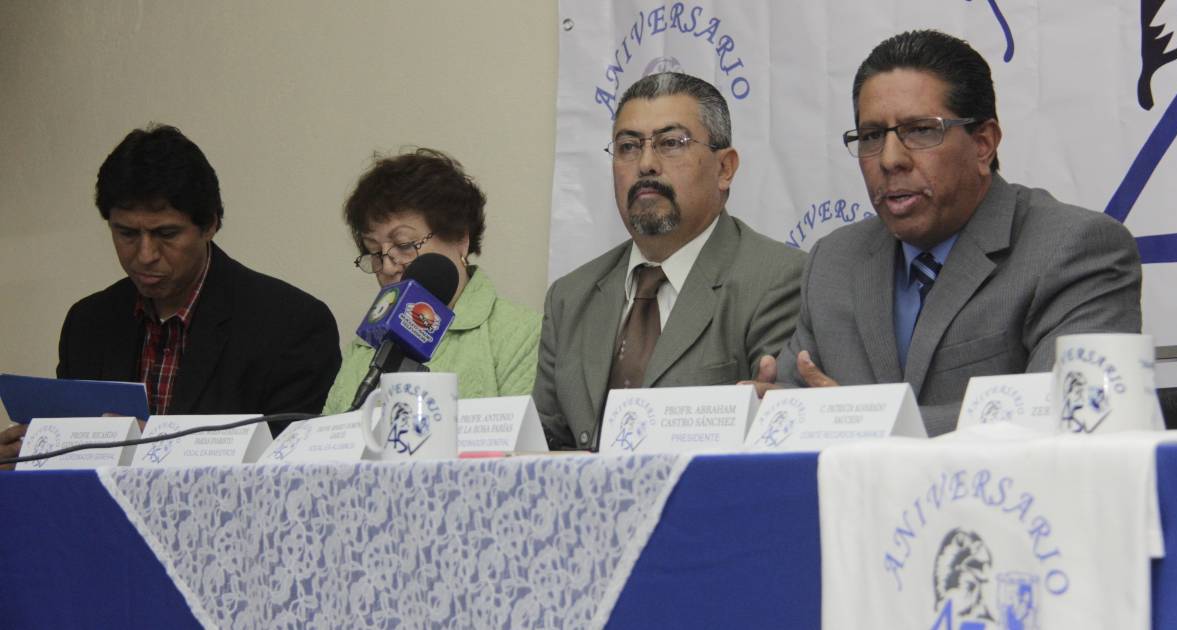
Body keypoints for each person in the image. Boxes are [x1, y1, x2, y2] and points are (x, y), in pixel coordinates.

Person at [759, 30, 1142, 436]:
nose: (889, 159)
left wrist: (860, 423)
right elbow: (797, 401)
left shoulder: (1075, 249)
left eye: (921, 130)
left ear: (983, 144)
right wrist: (765, 409)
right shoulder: (833, 261)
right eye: (871, 136)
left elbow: (1067, 416)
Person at [0, 124, 341, 465]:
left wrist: (153, 450)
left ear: (210, 225)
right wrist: (29, 456)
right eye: (127, 233)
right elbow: (69, 457)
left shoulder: (290, 324)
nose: (145, 255)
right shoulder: (88, 323)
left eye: (166, 234)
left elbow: (293, 468)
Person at [536, 72, 807, 450]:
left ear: (725, 168)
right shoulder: (570, 297)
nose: (646, 163)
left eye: (670, 143)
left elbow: (779, 439)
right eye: (628, 146)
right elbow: (541, 447)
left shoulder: (778, 280)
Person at [321, 148, 540, 414]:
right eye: (375, 252)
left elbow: (522, 435)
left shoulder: (521, 333)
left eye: (404, 244)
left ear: (460, 238)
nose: (387, 266)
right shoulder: (366, 344)